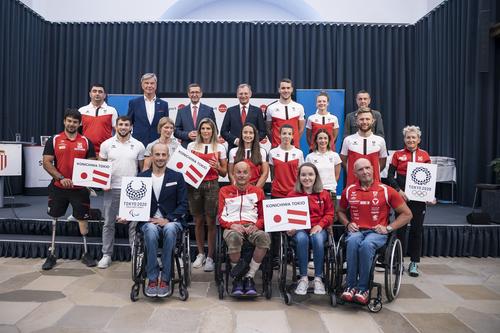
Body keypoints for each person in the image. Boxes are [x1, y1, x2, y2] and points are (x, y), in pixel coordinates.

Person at [338, 158, 412, 304]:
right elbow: (340, 211)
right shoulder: (349, 191)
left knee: (366, 245)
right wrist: (347, 224)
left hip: (376, 233)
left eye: (367, 168)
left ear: (373, 169)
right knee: (352, 241)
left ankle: (363, 288)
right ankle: (350, 286)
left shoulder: (386, 190)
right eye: (360, 169)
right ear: (354, 173)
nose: (365, 172)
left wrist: (388, 228)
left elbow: (407, 214)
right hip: (356, 231)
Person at [123, 143, 188, 297]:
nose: (160, 158)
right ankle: (152, 278)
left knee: (170, 229)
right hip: (148, 221)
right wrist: (126, 215)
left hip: (171, 221)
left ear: (168, 156)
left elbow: (184, 204)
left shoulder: (177, 176)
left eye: (163, 155)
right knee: (151, 230)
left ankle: (165, 278)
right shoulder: (141, 177)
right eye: (157, 154)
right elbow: (133, 202)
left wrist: (168, 219)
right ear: (151, 156)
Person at [41, 108, 97, 270]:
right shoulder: (55, 139)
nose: (72, 124)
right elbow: (46, 162)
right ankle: (51, 254)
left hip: (80, 190)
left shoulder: (86, 141)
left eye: (75, 122)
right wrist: (61, 178)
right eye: (69, 121)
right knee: (55, 219)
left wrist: (87, 179)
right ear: (64, 121)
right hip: (59, 187)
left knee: (83, 220)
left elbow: (91, 163)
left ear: (80, 124)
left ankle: (86, 253)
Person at [97, 116, 145, 269]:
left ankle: (135, 253)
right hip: (112, 188)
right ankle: (106, 255)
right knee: (108, 223)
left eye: (126, 124)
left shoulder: (139, 145)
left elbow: (142, 169)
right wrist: (102, 183)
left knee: (134, 224)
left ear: (131, 127)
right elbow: (100, 167)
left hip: (132, 189)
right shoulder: (106, 144)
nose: (123, 127)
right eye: (120, 124)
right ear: (115, 126)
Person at [387, 125, 434, 277]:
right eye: (408, 137)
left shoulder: (425, 155)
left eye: (414, 137)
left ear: (419, 140)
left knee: (416, 230)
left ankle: (414, 263)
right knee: (400, 229)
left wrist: (430, 195)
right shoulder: (398, 155)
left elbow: (429, 177)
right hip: (402, 197)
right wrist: (399, 191)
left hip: (419, 199)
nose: (411, 140)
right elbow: (389, 175)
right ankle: (398, 262)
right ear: (404, 139)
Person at [218, 161, 271, 296]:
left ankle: (249, 277)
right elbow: (220, 216)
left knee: (264, 237)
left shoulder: (258, 192)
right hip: (232, 227)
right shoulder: (224, 191)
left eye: (245, 172)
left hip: (252, 226)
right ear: (233, 174)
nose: (241, 175)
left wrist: (256, 226)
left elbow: (263, 216)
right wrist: (231, 225)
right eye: (238, 172)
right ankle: (238, 279)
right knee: (234, 238)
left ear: (250, 175)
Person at [187, 118, 228, 272]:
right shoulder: (192, 146)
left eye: (208, 128)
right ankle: (200, 254)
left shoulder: (220, 147)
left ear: (213, 131)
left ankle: (210, 257)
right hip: (194, 185)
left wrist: (217, 166)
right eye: (203, 128)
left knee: (211, 221)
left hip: (212, 185)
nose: (205, 131)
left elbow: (224, 172)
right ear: (199, 130)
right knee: (198, 221)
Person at [287, 163, 334, 295]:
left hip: (318, 228)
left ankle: (318, 278)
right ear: (299, 177)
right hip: (299, 229)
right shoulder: (292, 194)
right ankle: (303, 278)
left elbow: (330, 214)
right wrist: (289, 228)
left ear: (316, 176)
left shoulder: (324, 194)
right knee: (302, 239)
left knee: (317, 238)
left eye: (310, 174)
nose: (307, 178)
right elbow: (287, 216)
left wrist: (320, 225)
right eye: (303, 175)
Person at [268, 124, 304, 266]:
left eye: (289, 133)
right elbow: (272, 173)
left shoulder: (299, 153)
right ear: (279, 135)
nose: (286, 136)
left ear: (293, 136)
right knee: (276, 230)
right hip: (277, 193)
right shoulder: (272, 152)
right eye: (284, 133)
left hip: (294, 195)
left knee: (294, 229)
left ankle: (294, 257)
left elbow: (301, 174)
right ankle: (276, 257)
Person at [340, 108, 387, 185]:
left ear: (373, 121)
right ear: (356, 121)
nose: (364, 122)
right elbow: (343, 161)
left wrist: (373, 173)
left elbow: (382, 164)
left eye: (367, 119)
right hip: (353, 185)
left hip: (375, 185)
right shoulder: (348, 140)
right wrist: (353, 173)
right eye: (361, 119)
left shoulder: (380, 140)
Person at [221, 83, 267, 152]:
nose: (243, 96)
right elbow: (223, 131)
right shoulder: (230, 111)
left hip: (253, 150)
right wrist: (235, 140)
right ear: (237, 95)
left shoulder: (257, 111)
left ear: (250, 94)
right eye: (241, 93)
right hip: (234, 149)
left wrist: (252, 141)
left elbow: (263, 132)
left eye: (246, 93)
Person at [127, 73, 169, 148]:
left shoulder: (164, 104)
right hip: (138, 143)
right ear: (142, 85)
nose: (149, 86)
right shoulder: (134, 103)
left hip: (158, 144)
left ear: (156, 85)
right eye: (146, 83)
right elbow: (128, 123)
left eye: (152, 83)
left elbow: (166, 125)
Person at [78, 83, 118, 155]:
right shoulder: (82, 110)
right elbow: (77, 132)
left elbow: (118, 130)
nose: (97, 93)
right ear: (90, 94)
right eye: (94, 91)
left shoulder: (112, 110)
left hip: (106, 151)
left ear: (105, 95)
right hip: (86, 150)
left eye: (100, 92)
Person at [306, 129, 342, 207]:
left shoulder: (335, 156)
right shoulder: (310, 157)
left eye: (325, 138)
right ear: (316, 140)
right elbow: (308, 176)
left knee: (332, 218)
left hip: (330, 192)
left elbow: (337, 176)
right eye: (320, 138)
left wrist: (329, 186)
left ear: (329, 140)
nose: (323, 140)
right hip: (315, 192)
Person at [266, 78, 305, 148]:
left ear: (292, 89)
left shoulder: (299, 107)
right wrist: (275, 142)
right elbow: (268, 129)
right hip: (276, 148)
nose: (286, 90)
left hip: (294, 148)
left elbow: (301, 129)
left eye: (288, 88)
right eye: (283, 88)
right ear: (279, 90)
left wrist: (294, 140)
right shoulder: (271, 108)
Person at [175, 83, 216, 148]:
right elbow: (176, 131)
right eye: (192, 92)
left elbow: (215, 130)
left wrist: (201, 134)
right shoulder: (181, 111)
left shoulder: (209, 110)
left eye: (197, 92)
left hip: (204, 148)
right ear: (188, 94)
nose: (194, 95)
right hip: (186, 149)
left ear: (201, 94)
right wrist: (187, 135)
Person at [228, 123, 269, 188]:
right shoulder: (233, 151)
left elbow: (265, 174)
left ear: (255, 135)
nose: (248, 135)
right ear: (241, 134)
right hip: (238, 188)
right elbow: (231, 174)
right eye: (245, 132)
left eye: (251, 133)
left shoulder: (262, 151)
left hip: (256, 187)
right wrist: (237, 188)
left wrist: (255, 190)